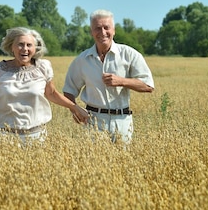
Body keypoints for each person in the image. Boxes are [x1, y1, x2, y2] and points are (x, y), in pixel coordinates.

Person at [0, 27, 89, 144]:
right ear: (12, 47)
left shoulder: (43, 67)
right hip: (5, 137)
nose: (25, 49)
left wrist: (74, 107)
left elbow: (52, 94)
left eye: (29, 45)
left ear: (35, 48)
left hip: (37, 137)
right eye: (20, 44)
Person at [63, 9, 154, 143]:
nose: (103, 32)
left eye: (107, 27)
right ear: (91, 32)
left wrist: (122, 81)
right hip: (93, 121)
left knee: (122, 162)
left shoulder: (129, 55)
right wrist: (74, 109)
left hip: (122, 122)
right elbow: (69, 90)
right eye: (97, 28)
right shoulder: (82, 60)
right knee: (93, 163)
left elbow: (148, 85)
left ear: (114, 30)